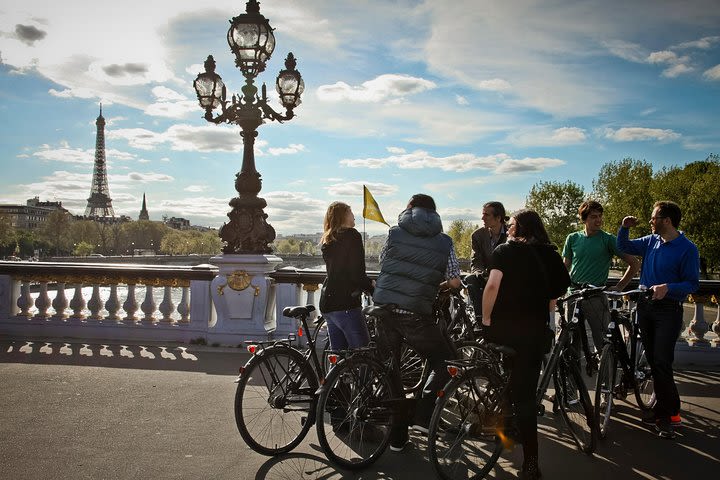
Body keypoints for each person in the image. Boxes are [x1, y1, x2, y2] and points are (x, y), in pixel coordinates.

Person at [482, 209, 570, 480]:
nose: (508, 228)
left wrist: (486, 320)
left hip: (502, 330)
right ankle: (531, 463)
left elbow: (493, 286)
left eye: (511, 224)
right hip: (532, 332)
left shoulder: (504, 252)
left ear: (519, 228)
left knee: (507, 375)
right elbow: (558, 291)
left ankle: (505, 426)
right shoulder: (551, 255)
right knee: (526, 396)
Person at [372, 193, 461, 452]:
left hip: (385, 308)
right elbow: (455, 280)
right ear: (434, 212)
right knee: (446, 361)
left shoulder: (394, 232)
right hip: (415, 313)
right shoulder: (445, 241)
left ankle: (397, 438)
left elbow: (383, 261)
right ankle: (423, 413)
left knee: (392, 372)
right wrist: (436, 285)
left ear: (409, 208)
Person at [617, 201, 699, 439]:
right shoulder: (650, 241)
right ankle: (664, 410)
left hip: (668, 309)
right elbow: (623, 245)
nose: (650, 221)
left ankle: (668, 415)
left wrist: (669, 288)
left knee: (662, 361)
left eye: (654, 218)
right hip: (645, 306)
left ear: (666, 220)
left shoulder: (687, 249)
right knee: (654, 360)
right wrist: (624, 228)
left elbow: (692, 283)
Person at [562, 200, 640, 355]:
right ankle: (573, 377)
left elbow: (635, 263)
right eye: (593, 217)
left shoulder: (608, 239)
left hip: (595, 295)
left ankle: (606, 374)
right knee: (571, 341)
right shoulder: (572, 238)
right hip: (574, 294)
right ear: (583, 219)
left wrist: (619, 287)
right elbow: (565, 267)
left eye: (600, 216)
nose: (598, 220)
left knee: (602, 340)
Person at [319, 202, 373, 350]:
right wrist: (371, 287)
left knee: (338, 357)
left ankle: (335, 374)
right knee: (363, 354)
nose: (354, 215)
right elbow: (357, 274)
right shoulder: (352, 235)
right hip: (346, 303)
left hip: (328, 304)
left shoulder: (329, 238)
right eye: (350, 212)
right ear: (343, 216)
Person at [466, 201, 508, 314]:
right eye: (482, 214)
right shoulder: (477, 235)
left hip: (507, 276)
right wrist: (479, 272)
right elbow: (476, 260)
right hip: (486, 276)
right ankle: (480, 318)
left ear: (498, 218)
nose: (482, 218)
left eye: (486, 215)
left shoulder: (513, 233)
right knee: (470, 279)